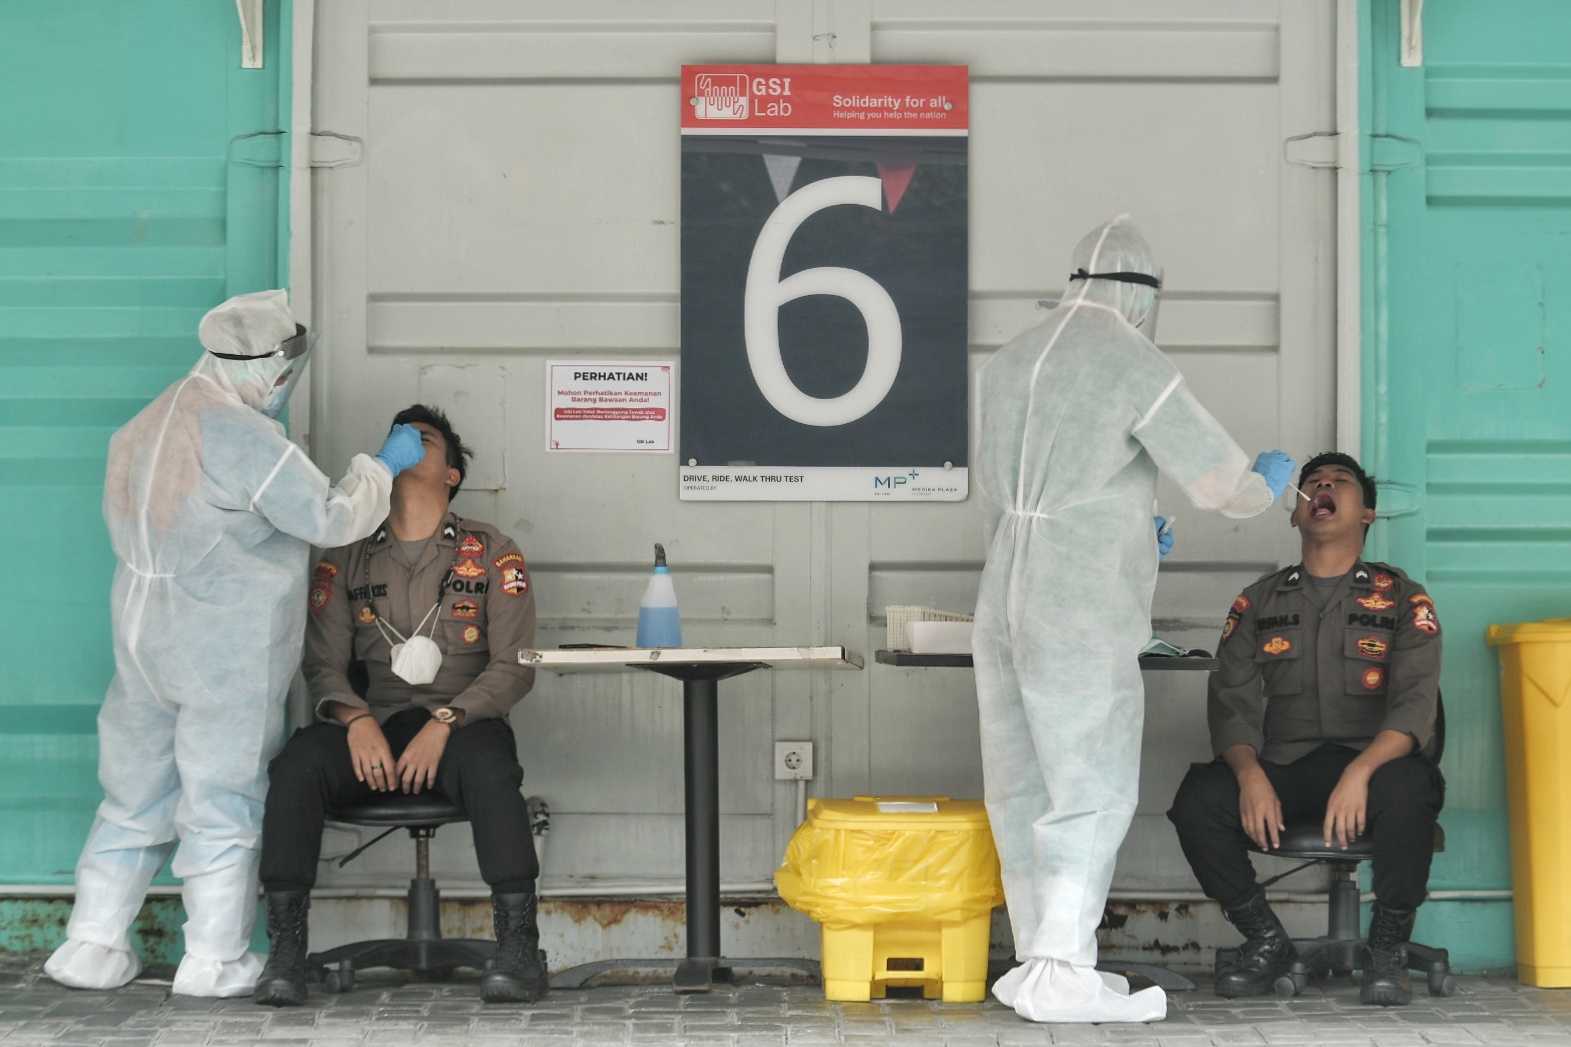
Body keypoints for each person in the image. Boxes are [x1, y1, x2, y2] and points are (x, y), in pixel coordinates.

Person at [45, 290, 425, 997]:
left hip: (143, 638)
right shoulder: (243, 436)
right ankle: (213, 959)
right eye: (285, 370)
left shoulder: (141, 426)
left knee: (133, 794)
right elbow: (332, 515)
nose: (284, 386)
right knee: (222, 796)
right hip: (221, 643)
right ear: (266, 367)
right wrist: (381, 465)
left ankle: (90, 945)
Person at [972, 215, 1295, 1024]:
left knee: (1020, 781)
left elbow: (1019, 489)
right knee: (1089, 783)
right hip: (1077, 603)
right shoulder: (1132, 360)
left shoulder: (1007, 361)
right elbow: (1222, 485)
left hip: (1005, 585)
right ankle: (1061, 969)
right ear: (1141, 294)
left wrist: (1114, 526)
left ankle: (1037, 957)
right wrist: (1265, 480)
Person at [253, 405, 546, 1007]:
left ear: (452, 475)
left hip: (462, 727)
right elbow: (322, 664)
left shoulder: (493, 551)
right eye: (398, 439)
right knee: (297, 765)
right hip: (375, 729)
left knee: (492, 771)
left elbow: (514, 665)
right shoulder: (347, 555)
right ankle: (284, 952)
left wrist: (446, 722)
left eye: (425, 440)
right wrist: (353, 718)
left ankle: (518, 950)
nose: (409, 446)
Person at [1167, 452, 1443, 1006]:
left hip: (1376, 767)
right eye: (1312, 482)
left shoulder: (1402, 598)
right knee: (1199, 799)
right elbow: (1231, 701)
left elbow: (1416, 706)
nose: (1323, 486)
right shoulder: (1257, 602)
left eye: (1340, 482)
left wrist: (1361, 771)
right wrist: (1248, 775)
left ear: (1366, 515)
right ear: (1294, 513)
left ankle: (1387, 949)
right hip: (1285, 769)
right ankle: (1268, 943)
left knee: (1410, 789)